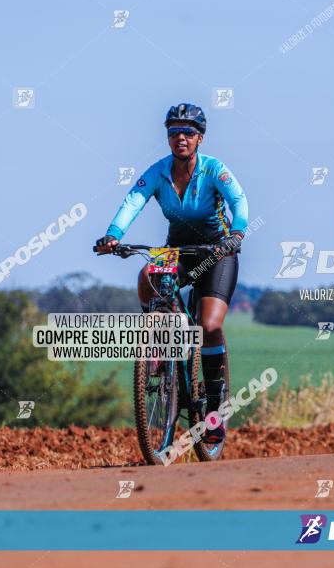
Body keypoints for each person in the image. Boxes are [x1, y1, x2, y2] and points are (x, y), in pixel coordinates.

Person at [95, 103, 248, 443]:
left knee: (209, 325)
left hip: (216, 251)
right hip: (176, 249)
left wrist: (236, 234)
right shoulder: (158, 171)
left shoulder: (214, 170)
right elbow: (133, 200)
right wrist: (113, 235)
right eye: (174, 132)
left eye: (188, 132)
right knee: (147, 274)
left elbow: (239, 201)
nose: (181, 138)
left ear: (200, 139)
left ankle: (213, 405)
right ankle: (157, 336)